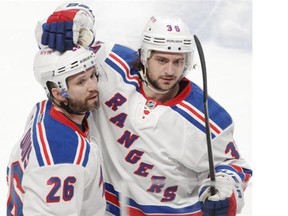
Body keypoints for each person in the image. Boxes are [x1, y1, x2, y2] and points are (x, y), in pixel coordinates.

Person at [38, 3, 252, 215]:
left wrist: (225, 191)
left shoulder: (208, 119)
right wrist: (71, 18)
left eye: (178, 62)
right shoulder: (111, 66)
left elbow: (234, 166)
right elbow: (62, 43)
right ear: (144, 56)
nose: (170, 70)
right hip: (102, 207)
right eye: (161, 60)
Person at [6, 45, 106, 215]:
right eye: (80, 82)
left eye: (92, 76)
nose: (93, 87)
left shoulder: (42, 110)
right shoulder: (63, 158)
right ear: (59, 93)